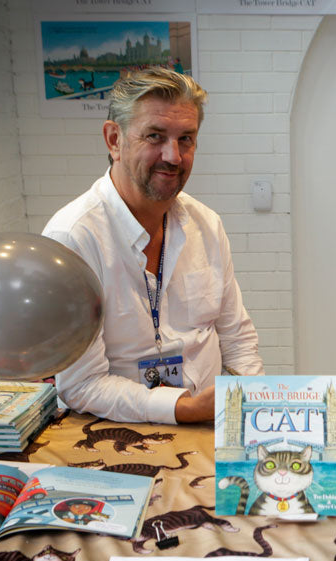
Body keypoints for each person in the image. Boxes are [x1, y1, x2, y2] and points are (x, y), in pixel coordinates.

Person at [43, 67, 263, 424]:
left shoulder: (206, 224)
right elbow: (81, 384)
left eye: (186, 139)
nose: (173, 156)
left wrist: (252, 409)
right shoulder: (73, 238)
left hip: (210, 428)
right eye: (155, 136)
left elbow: (237, 338)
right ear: (114, 140)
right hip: (120, 437)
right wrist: (183, 408)